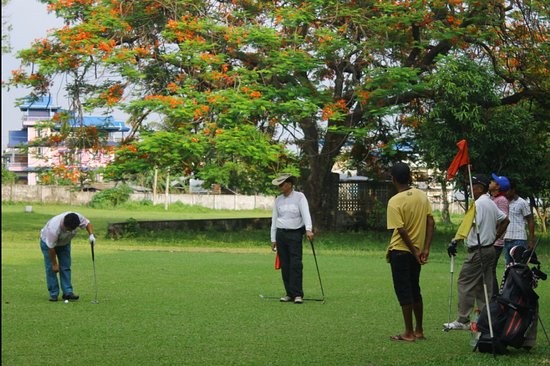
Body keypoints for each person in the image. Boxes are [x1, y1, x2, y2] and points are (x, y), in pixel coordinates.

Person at [444, 174, 509, 330]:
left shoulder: (478, 204)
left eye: (473, 185)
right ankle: (486, 318)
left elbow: (467, 226)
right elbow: (505, 220)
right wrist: (495, 236)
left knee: (465, 282)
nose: (470, 188)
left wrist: (455, 241)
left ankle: (463, 319)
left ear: (480, 187)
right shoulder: (490, 203)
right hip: (489, 249)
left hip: (478, 251)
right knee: (482, 285)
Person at [386, 162, 435, 342]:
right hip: (418, 251)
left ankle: (408, 332)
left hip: (400, 251)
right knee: (415, 289)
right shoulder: (422, 196)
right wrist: (425, 248)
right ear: (410, 177)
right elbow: (431, 222)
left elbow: (400, 229)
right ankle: (419, 329)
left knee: (404, 291)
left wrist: (413, 249)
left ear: (393, 179)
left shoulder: (394, 202)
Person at [270, 173, 314, 304]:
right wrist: (273, 239)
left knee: (295, 264)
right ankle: (289, 293)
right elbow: (274, 219)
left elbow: (306, 213)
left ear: (289, 184)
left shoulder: (300, 197)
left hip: (295, 234)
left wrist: (308, 229)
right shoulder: (278, 200)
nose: (280, 187)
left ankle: (297, 294)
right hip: (281, 234)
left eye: (282, 184)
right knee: (285, 264)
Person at [40, 212, 96, 302]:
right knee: (51, 269)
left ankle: (67, 292)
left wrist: (91, 235)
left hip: (64, 243)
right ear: (64, 225)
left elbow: (87, 223)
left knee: (65, 266)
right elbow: (51, 248)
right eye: (69, 229)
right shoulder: (54, 228)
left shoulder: (77, 218)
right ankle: (54, 294)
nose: (71, 231)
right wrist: (54, 264)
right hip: (47, 244)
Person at [503, 179, 535, 265]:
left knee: (520, 266)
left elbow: (530, 220)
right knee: (508, 265)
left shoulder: (522, 202)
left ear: (513, 190)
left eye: (507, 190)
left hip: (519, 239)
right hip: (506, 239)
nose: (505, 192)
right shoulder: (503, 202)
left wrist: (531, 240)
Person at [489, 173, 510, 294]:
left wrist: (495, 236)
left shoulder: (501, 200)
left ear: (497, 187)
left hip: (496, 242)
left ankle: (494, 296)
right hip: (492, 240)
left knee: (490, 270)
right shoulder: (493, 199)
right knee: (488, 269)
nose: (490, 182)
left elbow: (504, 220)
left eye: (493, 181)